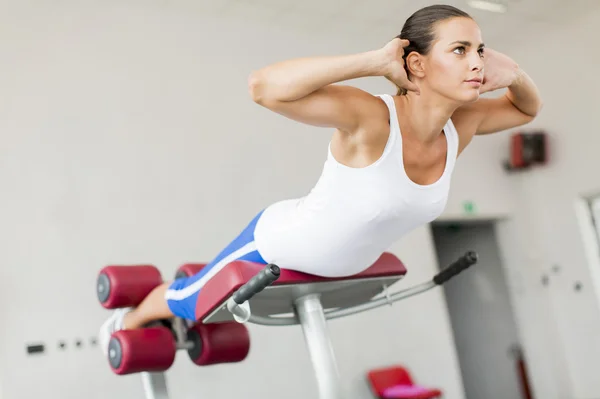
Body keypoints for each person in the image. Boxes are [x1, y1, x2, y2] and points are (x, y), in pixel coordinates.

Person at [99, 4, 542, 355]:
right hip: (277, 244)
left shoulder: (459, 126)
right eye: (460, 50)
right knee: (192, 302)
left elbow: (525, 109)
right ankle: (130, 319)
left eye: (480, 50)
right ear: (417, 65)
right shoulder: (372, 117)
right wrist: (372, 62)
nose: (477, 62)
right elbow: (263, 87)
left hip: (340, 269)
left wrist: (516, 73)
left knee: (203, 302)